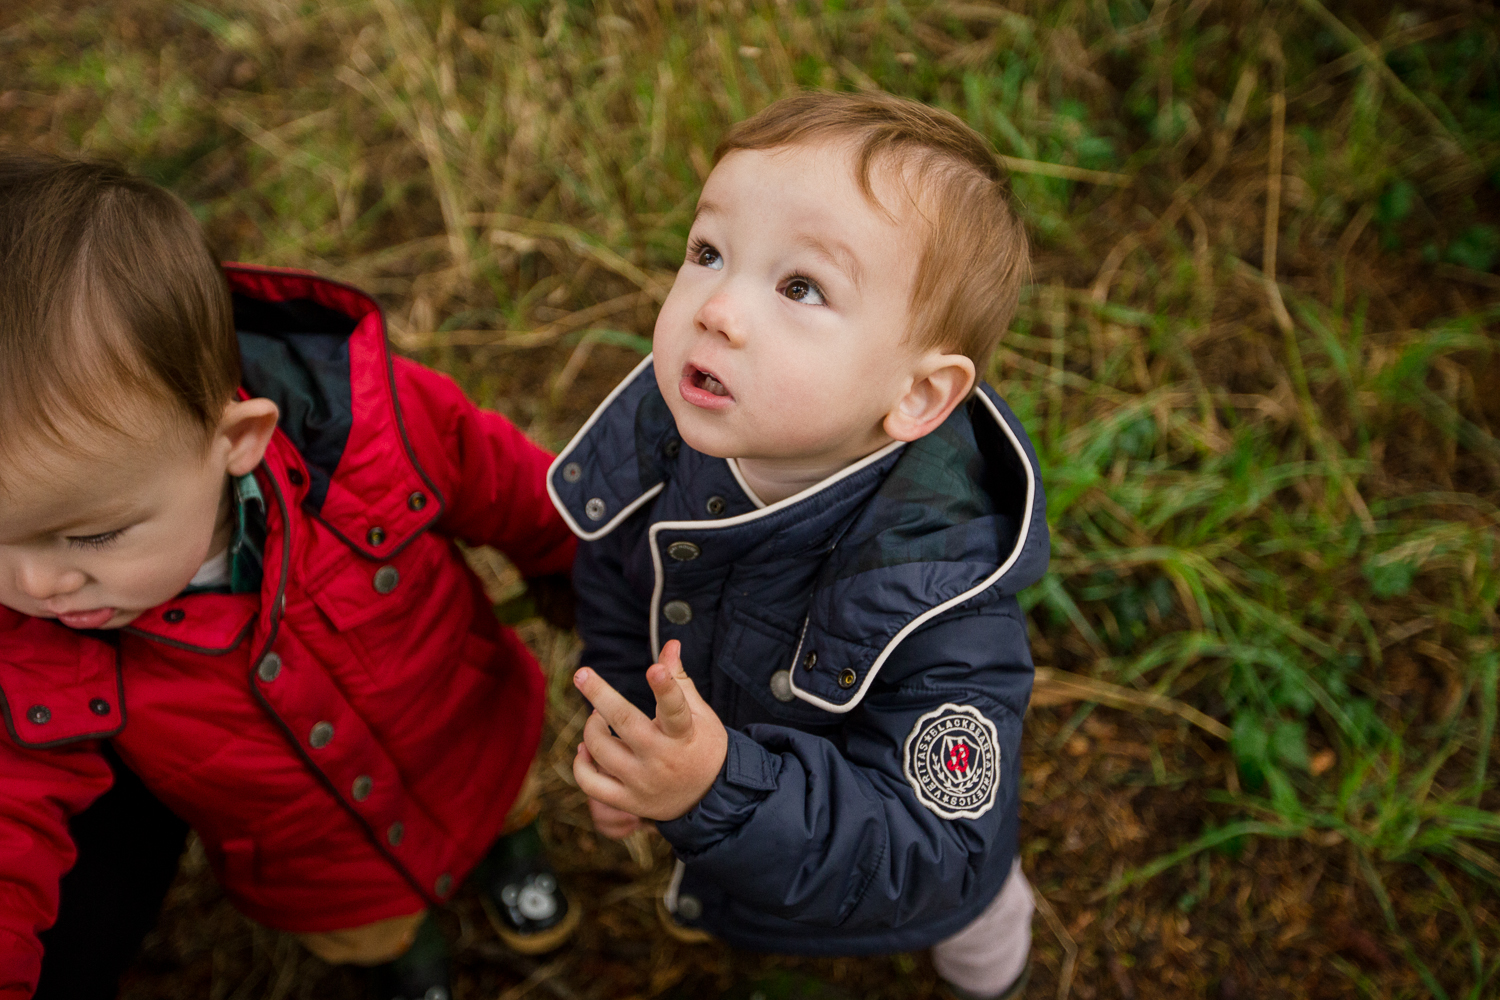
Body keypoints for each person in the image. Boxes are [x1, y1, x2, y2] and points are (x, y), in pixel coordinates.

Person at [0, 155, 580, 1000]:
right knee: (372, 935)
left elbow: (510, 483)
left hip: (469, 732)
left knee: (503, 801)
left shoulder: (366, 438)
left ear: (237, 439)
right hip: (318, 865)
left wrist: (580, 565)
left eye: (92, 536)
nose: (36, 584)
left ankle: (515, 860)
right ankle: (407, 968)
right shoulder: (35, 645)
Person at [549, 90, 1050, 1000]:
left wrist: (713, 788)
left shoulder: (940, 587)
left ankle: (999, 979)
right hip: (751, 852)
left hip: (925, 882)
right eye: (708, 253)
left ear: (917, 398)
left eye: (801, 287)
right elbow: (624, 593)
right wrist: (633, 732)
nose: (717, 310)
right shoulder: (658, 453)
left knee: (979, 920)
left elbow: (934, 845)